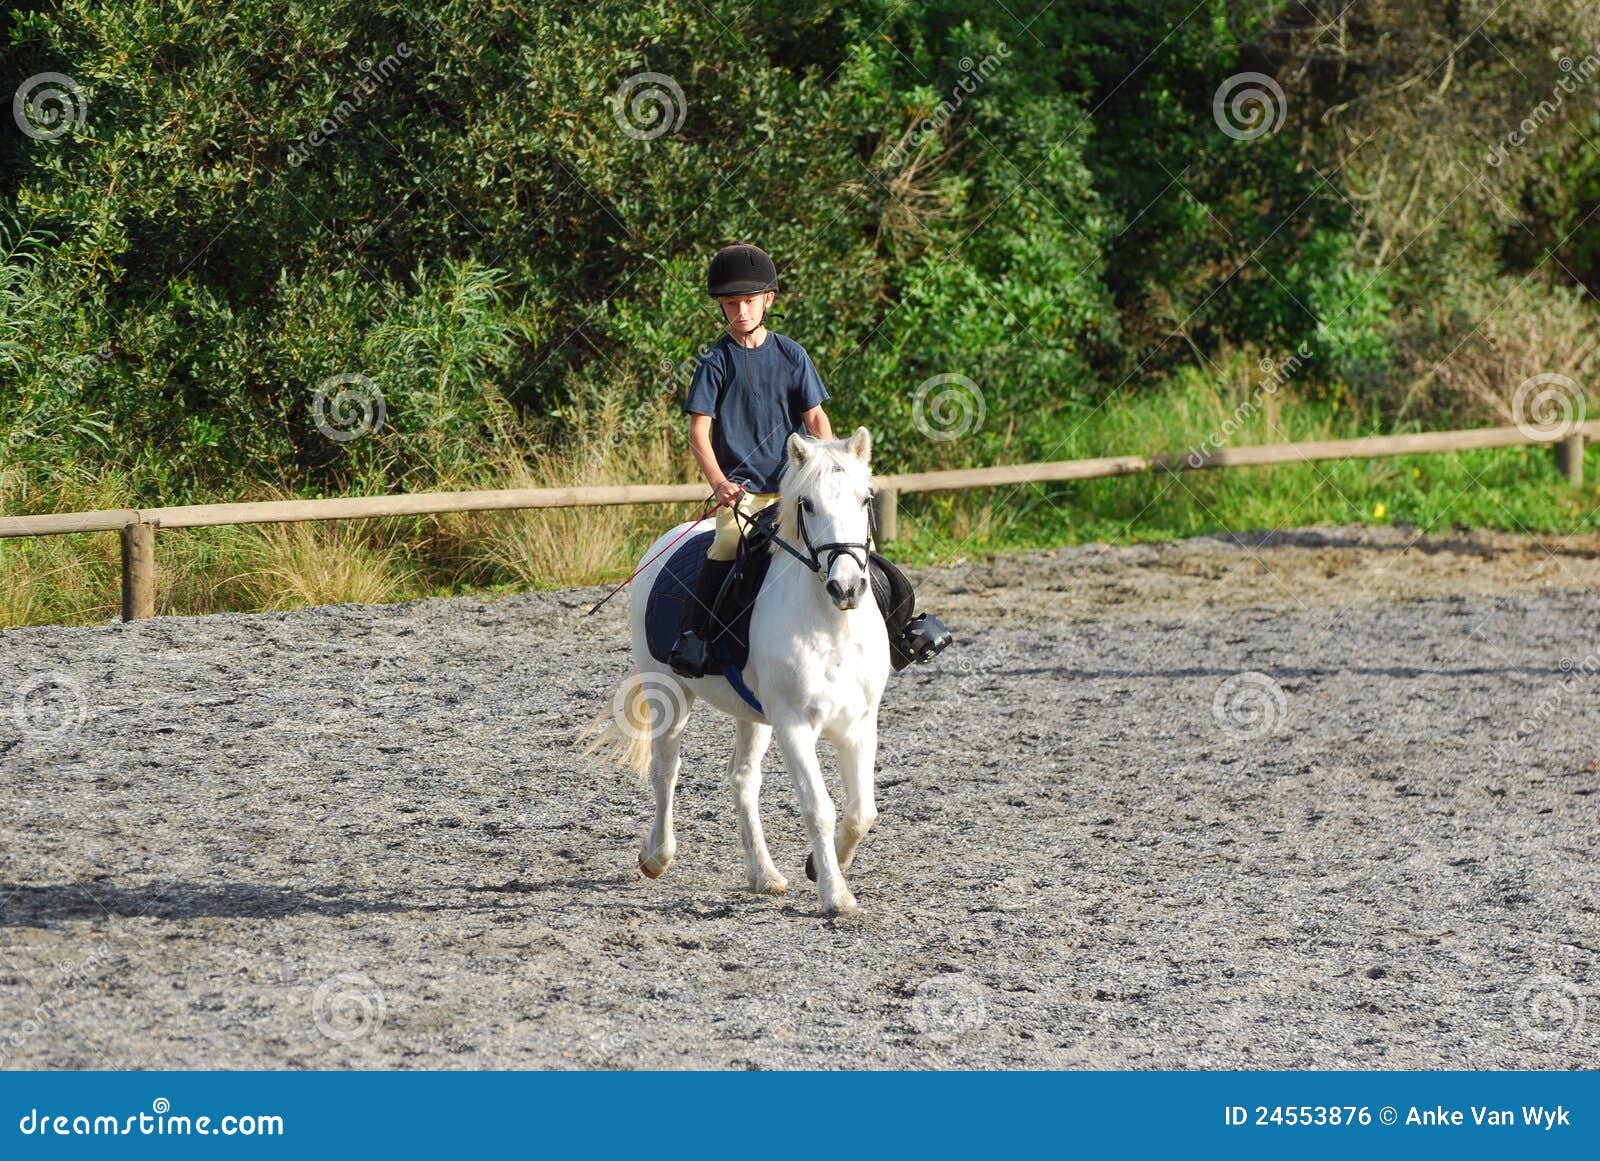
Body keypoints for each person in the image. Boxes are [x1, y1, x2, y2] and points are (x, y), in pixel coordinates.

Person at [668, 243, 833, 677]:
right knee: (725, 546)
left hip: (793, 486)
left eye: (747, 301)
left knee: (841, 540)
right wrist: (719, 483)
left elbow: (816, 418)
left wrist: (827, 472)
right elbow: (698, 432)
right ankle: (697, 637)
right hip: (743, 492)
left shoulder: (792, 355)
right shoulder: (715, 361)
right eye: (730, 304)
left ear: (768, 301)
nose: (740, 311)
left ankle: (894, 628)